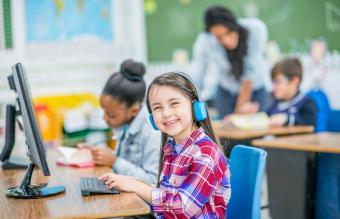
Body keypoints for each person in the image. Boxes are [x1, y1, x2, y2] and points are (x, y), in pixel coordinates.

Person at [99, 72, 231, 218]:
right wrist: (128, 181)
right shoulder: (173, 147)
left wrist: (136, 186)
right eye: (157, 108)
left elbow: (182, 208)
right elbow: (166, 195)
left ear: (196, 107)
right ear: (152, 118)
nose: (166, 113)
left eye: (174, 104)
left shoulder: (205, 153)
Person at [79, 59, 161, 185]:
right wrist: (97, 151)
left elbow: (153, 182)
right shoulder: (125, 121)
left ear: (133, 110)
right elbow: (127, 159)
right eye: (104, 111)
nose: (105, 118)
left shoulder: (153, 132)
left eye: (111, 115)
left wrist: (114, 161)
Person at [190, 5, 268, 118]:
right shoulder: (205, 40)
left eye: (228, 32)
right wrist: (191, 100)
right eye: (219, 37)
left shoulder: (255, 29)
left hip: (254, 89)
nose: (226, 40)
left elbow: (249, 74)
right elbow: (197, 71)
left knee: (253, 130)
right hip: (226, 91)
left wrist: (237, 114)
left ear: (234, 25)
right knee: (228, 133)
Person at [267, 58, 317, 126]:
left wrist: (287, 119)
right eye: (273, 82)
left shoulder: (307, 103)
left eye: (278, 82)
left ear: (294, 81)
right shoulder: (274, 103)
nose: (274, 87)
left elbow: (309, 123)